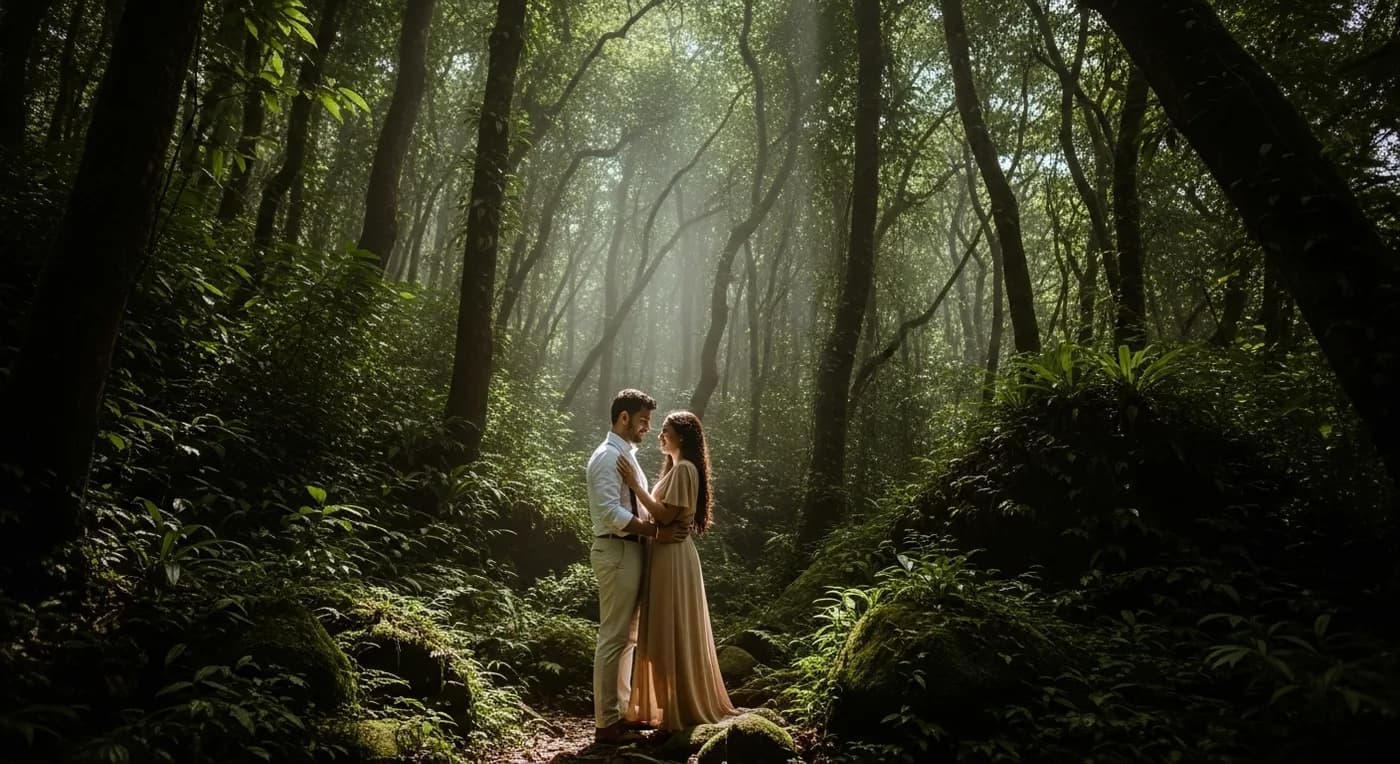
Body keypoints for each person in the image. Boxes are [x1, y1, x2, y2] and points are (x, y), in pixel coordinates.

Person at [619, 410, 738, 731]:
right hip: (664, 553)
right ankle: (664, 708)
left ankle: (675, 715)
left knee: (672, 628)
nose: (660, 434)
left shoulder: (685, 469)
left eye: (667, 430)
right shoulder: (676, 469)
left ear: (682, 436)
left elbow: (666, 516)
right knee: (663, 627)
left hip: (672, 555)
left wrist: (634, 485)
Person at [585, 389, 689, 744]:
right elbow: (611, 513)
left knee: (628, 638)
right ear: (623, 417)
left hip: (632, 551)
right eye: (643, 420)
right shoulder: (605, 457)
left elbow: (639, 506)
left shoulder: (626, 455)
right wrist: (657, 532)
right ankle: (605, 724)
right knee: (613, 637)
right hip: (616, 550)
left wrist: (655, 532)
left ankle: (621, 713)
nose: (648, 427)